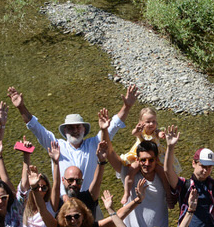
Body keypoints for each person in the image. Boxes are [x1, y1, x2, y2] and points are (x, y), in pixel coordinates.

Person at [8, 84, 137, 197]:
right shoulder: (56, 145)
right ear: (65, 131)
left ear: (83, 129)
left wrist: (127, 106)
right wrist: (21, 107)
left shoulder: (94, 144)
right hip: (63, 203)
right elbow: (36, 128)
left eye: (78, 127)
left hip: (89, 201)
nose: (75, 130)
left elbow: (113, 126)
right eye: (70, 128)